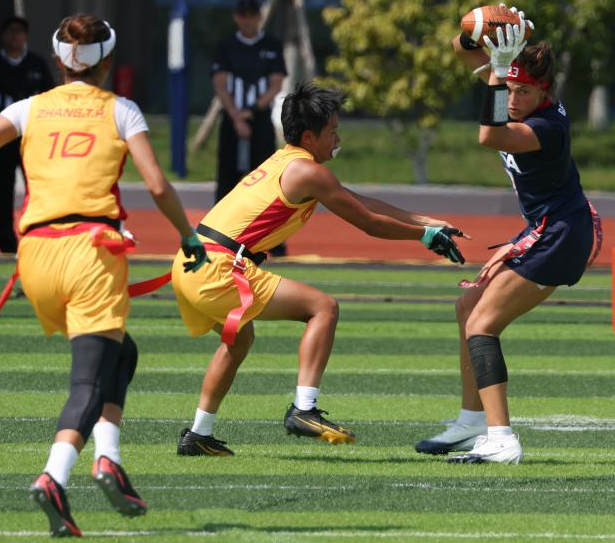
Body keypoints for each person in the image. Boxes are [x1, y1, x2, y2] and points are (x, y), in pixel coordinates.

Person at [0, 14, 209, 537]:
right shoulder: (121, 109)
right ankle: (55, 475)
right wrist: (188, 237)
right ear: (108, 62)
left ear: (57, 59)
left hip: (34, 257)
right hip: (90, 254)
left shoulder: (29, 107)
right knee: (89, 379)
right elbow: (158, 186)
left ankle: (109, 458)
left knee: (122, 353)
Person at [172, 82, 465, 455]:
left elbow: (360, 202)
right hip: (220, 266)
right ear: (309, 137)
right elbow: (368, 223)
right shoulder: (309, 172)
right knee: (323, 308)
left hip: (191, 262)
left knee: (239, 340)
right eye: (333, 131)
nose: (338, 139)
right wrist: (424, 236)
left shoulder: (287, 160)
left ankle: (198, 435)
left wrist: (427, 222)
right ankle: (304, 410)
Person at [413, 14, 597, 464]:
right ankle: (472, 421)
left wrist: (497, 71)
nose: (514, 99)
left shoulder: (547, 126)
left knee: (482, 324)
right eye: (510, 90)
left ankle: (502, 438)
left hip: (561, 234)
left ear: (545, 92)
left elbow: (489, 135)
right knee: (468, 307)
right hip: (547, 228)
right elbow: (460, 47)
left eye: (524, 92)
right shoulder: (514, 90)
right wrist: (483, 29)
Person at [0, 16, 56, 253]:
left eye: (19, 32)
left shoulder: (36, 64)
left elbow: (51, 96)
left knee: (40, 189)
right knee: (1, 192)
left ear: (26, 36)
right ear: (3, 36)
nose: (15, 36)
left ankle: (39, 239)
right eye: (10, 31)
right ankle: (7, 245)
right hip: (1, 137)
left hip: (32, 137)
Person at [212, 0, 286, 198]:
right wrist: (237, 116)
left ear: (259, 17)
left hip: (260, 117)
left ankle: (263, 216)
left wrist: (251, 110)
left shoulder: (272, 45)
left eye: (252, 16)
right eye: (243, 16)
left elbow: (276, 84)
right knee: (227, 177)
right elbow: (220, 84)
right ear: (236, 18)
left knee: (265, 174)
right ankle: (222, 216)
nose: (247, 20)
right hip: (231, 118)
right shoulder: (226, 46)